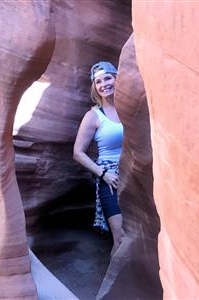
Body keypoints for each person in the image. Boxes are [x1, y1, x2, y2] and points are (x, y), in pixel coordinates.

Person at [73, 61, 124, 256]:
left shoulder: (128, 109)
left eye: (108, 78)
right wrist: (103, 174)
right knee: (120, 238)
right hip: (110, 179)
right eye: (98, 81)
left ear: (117, 79)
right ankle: (114, 287)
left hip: (134, 173)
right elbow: (78, 153)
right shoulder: (94, 115)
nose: (104, 84)